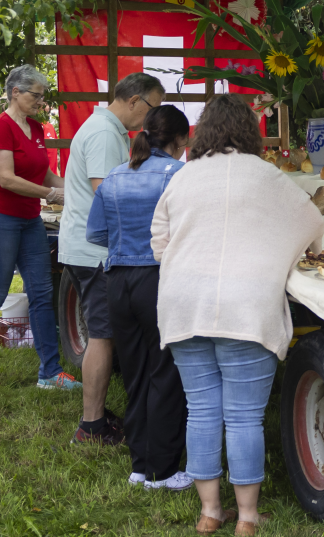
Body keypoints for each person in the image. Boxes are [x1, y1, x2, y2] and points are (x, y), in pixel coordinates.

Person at [151, 96, 323, 535]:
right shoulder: (267, 176)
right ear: (250, 131)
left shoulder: (183, 177)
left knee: (201, 410)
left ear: (203, 130)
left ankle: (209, 512)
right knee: (244, 416)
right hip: (247, 306)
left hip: (185, 303)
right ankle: (247, 517)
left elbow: (159, 241)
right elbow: (310, 221)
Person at [0, 65, 78, 390]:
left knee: (41, 291)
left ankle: (50, 373)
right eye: (35, 94)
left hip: (28, 219)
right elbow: (7, 179)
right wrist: (52, 194)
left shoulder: (36, 129)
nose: (40, 101)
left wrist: (78, 189)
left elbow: (46, 175)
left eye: (42, 95)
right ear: (15, 93)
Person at [88, 103, 192, 490]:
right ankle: (163, 471)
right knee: (165, 373)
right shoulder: (179, 174)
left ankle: (139, 465)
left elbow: (96, 233)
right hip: (159, 279)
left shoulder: (114, 176)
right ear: (181, 139)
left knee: (134, 374)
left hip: (117, 282)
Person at [60, 72, 165, 445]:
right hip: (95, 252)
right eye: (152, 108)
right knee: (102, 336)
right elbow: (109, 194)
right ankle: (91, 425)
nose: (151, 119)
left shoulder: (107, 128)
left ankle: (98, 417)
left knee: (105, 334)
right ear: (135, 100)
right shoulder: (105, 134)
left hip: (92, 247)